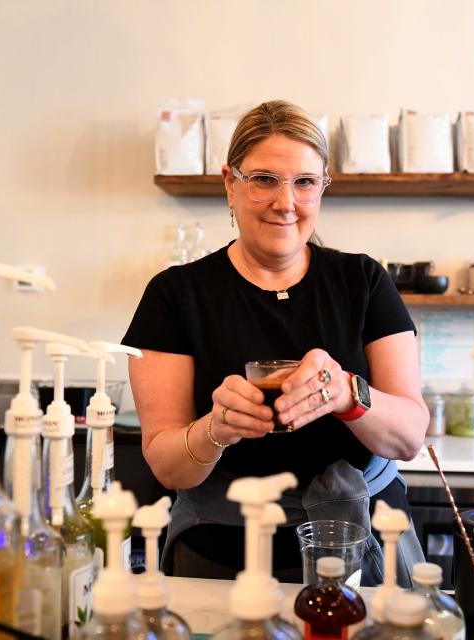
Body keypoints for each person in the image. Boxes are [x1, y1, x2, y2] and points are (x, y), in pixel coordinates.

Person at [123, 100, 429, 582]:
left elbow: (410, 436)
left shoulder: (364, 281)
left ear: (322, 188)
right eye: (264, 179)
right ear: (230, 183)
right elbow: (168, 468)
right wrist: (216, 428)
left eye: (305, 182)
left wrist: (347, 393)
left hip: (360, 542)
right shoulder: (175, 295)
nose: (285, 202)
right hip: (222, 554)